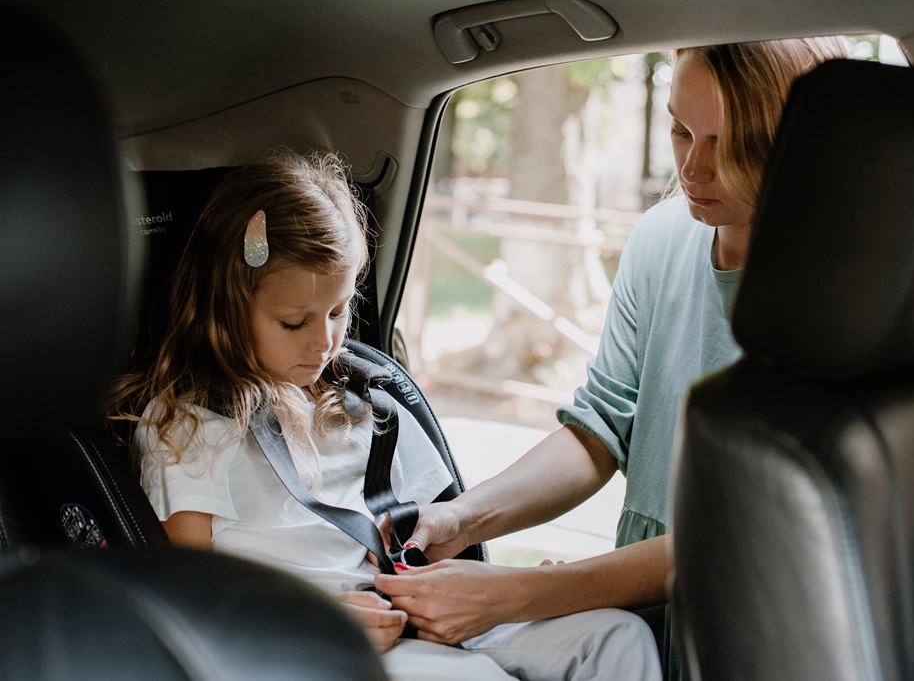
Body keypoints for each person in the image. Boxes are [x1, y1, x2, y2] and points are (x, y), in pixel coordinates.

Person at [374, 36, 849, 675]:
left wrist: (519, 594)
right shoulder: (659, 240)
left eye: (729, 145)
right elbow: (599, 433)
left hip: (769, 627)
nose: (692, 171)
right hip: (645, 609)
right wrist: (464, 517)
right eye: (681, 131)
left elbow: (740, 532)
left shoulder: (846, 294)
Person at [107, 150, 661, 681]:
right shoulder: (187, 423)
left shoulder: (364, 397)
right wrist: (326, 619)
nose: (324, 341)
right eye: (294, 322)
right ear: (227, 307)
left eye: (339, 311)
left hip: (415, 606)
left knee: (617, 637)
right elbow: (193, 596)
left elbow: (429, 523)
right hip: (316, 639)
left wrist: (503, 588)